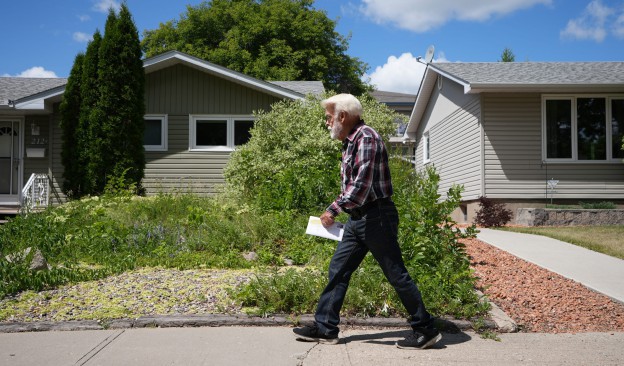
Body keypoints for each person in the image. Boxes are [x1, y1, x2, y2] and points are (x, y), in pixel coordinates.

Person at [292, 93, 441, 350]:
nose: (326, 122)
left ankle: (425, 329)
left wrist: (333, 210)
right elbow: (352, 186)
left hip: (376, 217)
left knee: (396, 274)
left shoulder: (366, 138)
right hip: (358, 219)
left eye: (329, 117)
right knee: (338, 270)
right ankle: (326, 329)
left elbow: (362, 185)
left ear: (343, 116)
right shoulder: (350, 142)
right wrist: (339, 209)